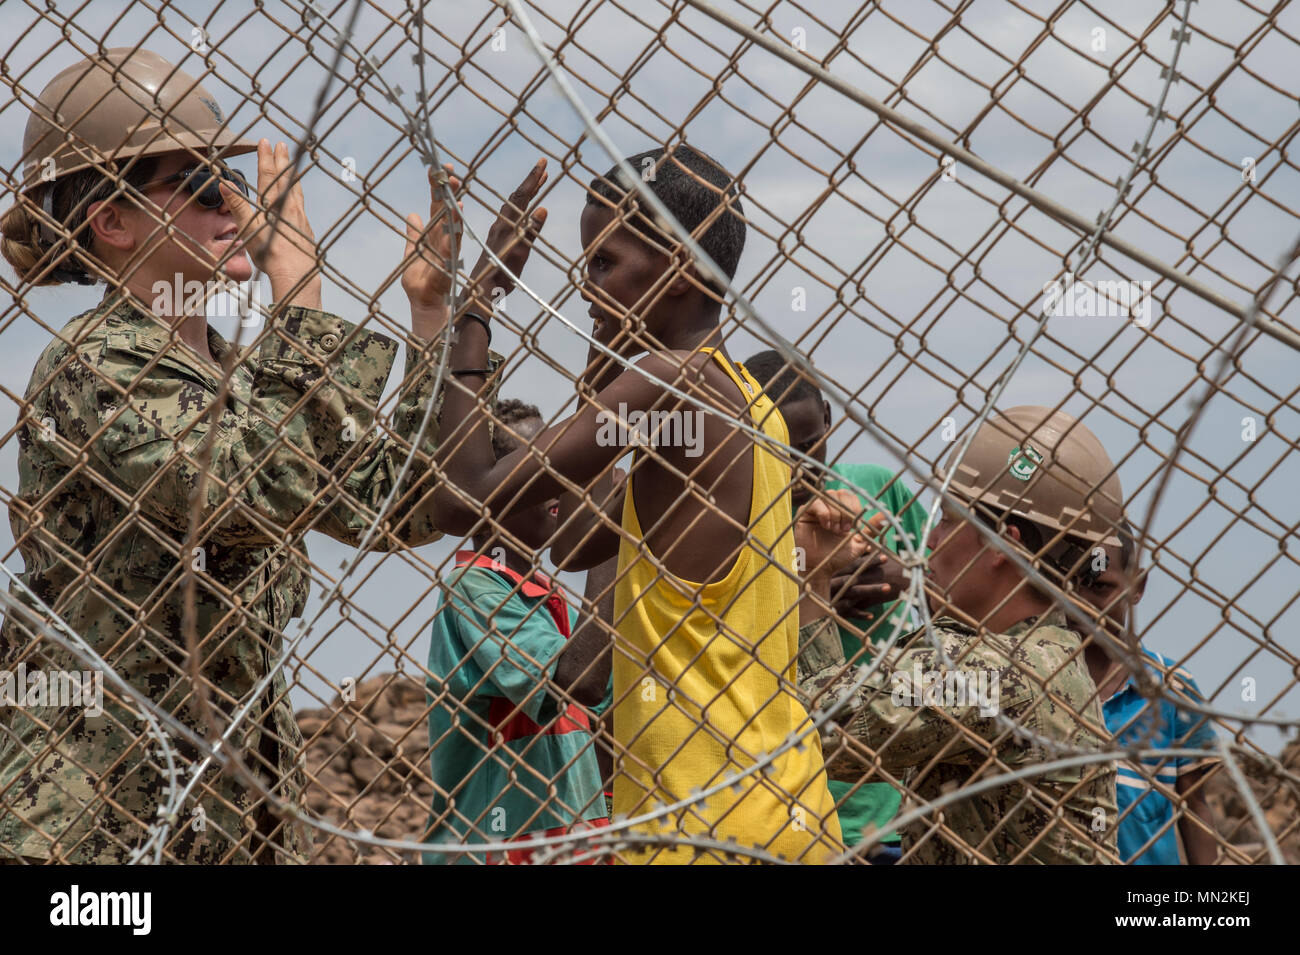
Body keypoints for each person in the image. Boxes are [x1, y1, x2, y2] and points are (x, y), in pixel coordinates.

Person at [0, 48, 493, 863]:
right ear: (112, 223)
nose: (234, 204)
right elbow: (261, 487)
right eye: (195, 185)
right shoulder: (94, 368)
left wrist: (434, 318)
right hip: (99, 826)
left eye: (227, 179)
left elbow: (388, 506)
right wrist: (297, 288)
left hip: (230, 814)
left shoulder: (235, 373)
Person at [431, 144, 843, 863]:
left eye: (603, 264)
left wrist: (479, 300)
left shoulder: (669, 381)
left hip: (700, 827)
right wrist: (601, 381)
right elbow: (579, 541)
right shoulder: (747, 403)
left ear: (681, 268)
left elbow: (465, 496)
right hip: (780, 807)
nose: (586, 290)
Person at [800, 405, 1120, 863]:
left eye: (948, 519)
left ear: (1004, 545)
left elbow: (812, 728)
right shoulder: (1047, 655)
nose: (929, 538)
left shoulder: (994, 672)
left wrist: (806, 575)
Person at [745, 348, 925, 863]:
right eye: (778, 448)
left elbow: (940, 582)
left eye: (809, 444)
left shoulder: (878, 490)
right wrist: (810, 576)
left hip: (884, 796)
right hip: (781, 790)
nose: (799, 465)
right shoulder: (741, 519)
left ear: (828, 420)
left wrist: (890, 574)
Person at [423, 399, 613, 865]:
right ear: (487, 488)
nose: (556, 482)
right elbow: (577, 681)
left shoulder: (548, 597)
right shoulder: (475, 588)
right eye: (535, 467)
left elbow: (603, 723)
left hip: (566, 842)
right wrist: (611, 532)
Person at [1076, 521, 1219, 864]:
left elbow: (1195, 807)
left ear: (1136, 586)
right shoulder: (1032, 682)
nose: (1079, 603)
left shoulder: (1173, 689)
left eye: (1098, 587)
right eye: (1067, 585)